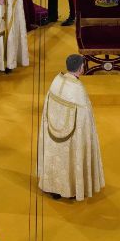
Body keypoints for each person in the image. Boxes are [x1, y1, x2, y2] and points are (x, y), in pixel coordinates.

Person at [38, 54, 105, 201]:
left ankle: (53, 188)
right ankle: (72, 189)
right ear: (81, 69)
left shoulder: (56, 81)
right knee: (70, 160)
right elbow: (85, 118)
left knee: (55, 159)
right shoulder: (77, 90)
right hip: (71, 137)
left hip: (52, 133)